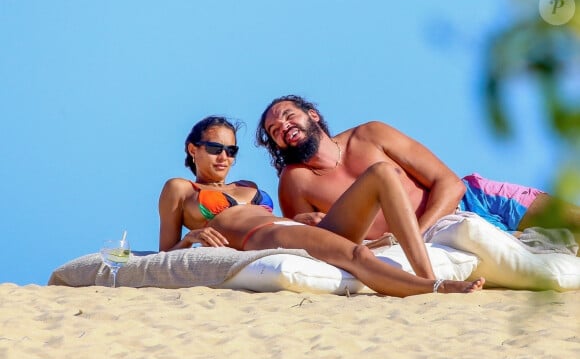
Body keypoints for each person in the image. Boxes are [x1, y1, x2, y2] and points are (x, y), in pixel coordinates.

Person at [158, 116, 485, 297]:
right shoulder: (181, 188)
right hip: (260, 237)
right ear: (193, 149)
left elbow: (288, 222)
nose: (224, 157)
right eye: (215, 148)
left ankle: (425, 271)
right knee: (357, 255)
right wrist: (190, 240)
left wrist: (307, 218)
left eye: (231, 150)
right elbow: (164, 254)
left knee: (382, 173)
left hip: (293, 230)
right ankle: (434, 287)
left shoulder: (248, 188)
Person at [256, 95, 580, 252]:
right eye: (275, 130)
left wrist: (418, 235)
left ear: (312, 115)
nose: (283, 127)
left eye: (288, 116)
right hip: (432, 239)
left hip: (474, 202)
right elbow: (314, 240)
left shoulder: (370, 135)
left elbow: (449, 183)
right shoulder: (295, 182)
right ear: (278, 145)